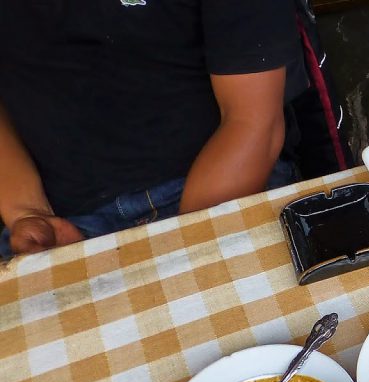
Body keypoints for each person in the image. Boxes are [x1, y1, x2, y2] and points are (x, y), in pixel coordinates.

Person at [0, 1, 305, 260]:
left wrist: (186, 249)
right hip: (56, 217)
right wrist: (26, 212)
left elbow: (254, 121)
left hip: (213, 192)